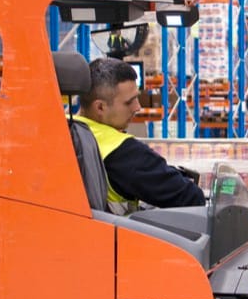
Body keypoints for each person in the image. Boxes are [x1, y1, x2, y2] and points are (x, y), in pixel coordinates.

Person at [72, 57, 207, 210]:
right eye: (130, 102)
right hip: (115, 232)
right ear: (100, 108)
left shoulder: (67, 129)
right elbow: (191, 197)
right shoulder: (122, 151)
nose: (138, 107)